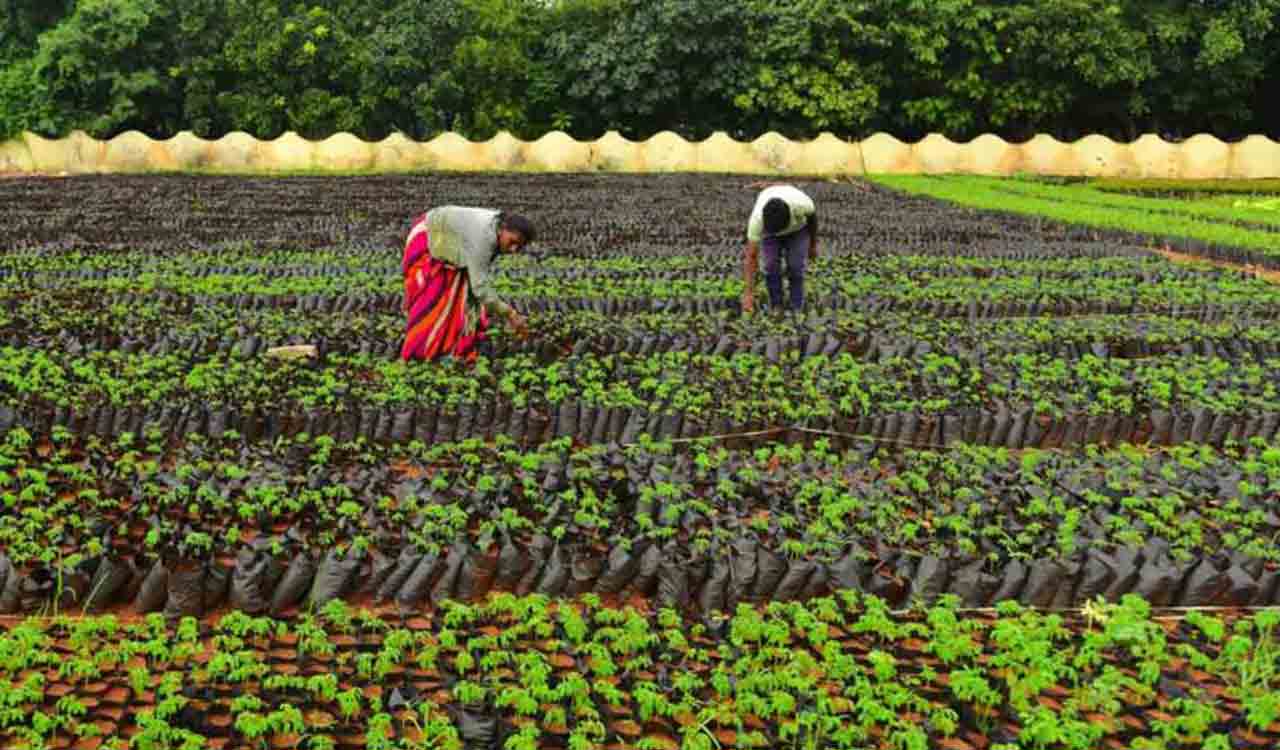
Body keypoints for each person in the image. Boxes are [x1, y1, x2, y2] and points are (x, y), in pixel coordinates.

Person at [401, 206, 534, 362]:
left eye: (519, 246)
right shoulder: (483, 238)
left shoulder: (496, 228)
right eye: (512, 242)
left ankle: (448, 346)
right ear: (503, 229)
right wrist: (510, 313)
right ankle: (419, 351)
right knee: (435, 298)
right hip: (428, 235)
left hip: (451, 243)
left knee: (459, 296)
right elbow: (480, 287)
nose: (513, 249)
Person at [741, 183, 817, 313]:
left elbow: (813, 221)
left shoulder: (802, 205)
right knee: (770, 265)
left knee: (795, 265)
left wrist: (812, 245)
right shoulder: (757, 220)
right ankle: (777, 305)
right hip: (770, 234)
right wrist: (748, 293)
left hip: (797, 231)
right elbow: (751, 256)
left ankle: (796, 306)